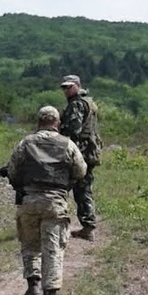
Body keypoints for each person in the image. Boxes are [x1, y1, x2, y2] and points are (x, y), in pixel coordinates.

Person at [7, 106, 87, 295]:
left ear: (39, 122)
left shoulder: (26, 143)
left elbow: (13, 170)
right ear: (57, 122)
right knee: (53, 248)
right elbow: (81, 169)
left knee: (30, 244)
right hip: (55, 202)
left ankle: (33, 285)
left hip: (30, 200)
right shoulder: (67, 144)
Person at [59, 74, 102, 241]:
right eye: (64, 87)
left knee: (62, 188)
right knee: (82, 189)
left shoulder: (77, 104)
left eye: (69, 87)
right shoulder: (88, 101)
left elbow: (72, 130)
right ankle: (88, 226)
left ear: (77, 85)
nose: (66, 90)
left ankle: (57, 223)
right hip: (88, 152)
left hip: (79, 153)